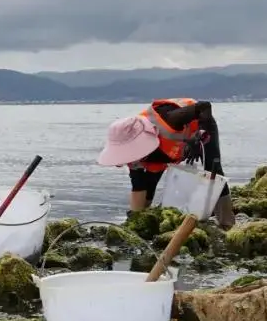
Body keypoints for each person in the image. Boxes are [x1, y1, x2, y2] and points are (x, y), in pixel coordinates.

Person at [96, 97, 234, 228]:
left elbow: (205, 107)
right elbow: (138, 187)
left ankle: (227, 224)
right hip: (167, 149)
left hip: (201, 126)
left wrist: (199, 136)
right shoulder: (133, 158)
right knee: (147, 180)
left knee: (213, 171)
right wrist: (135, 223)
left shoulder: (170, 118)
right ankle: (142, 219)